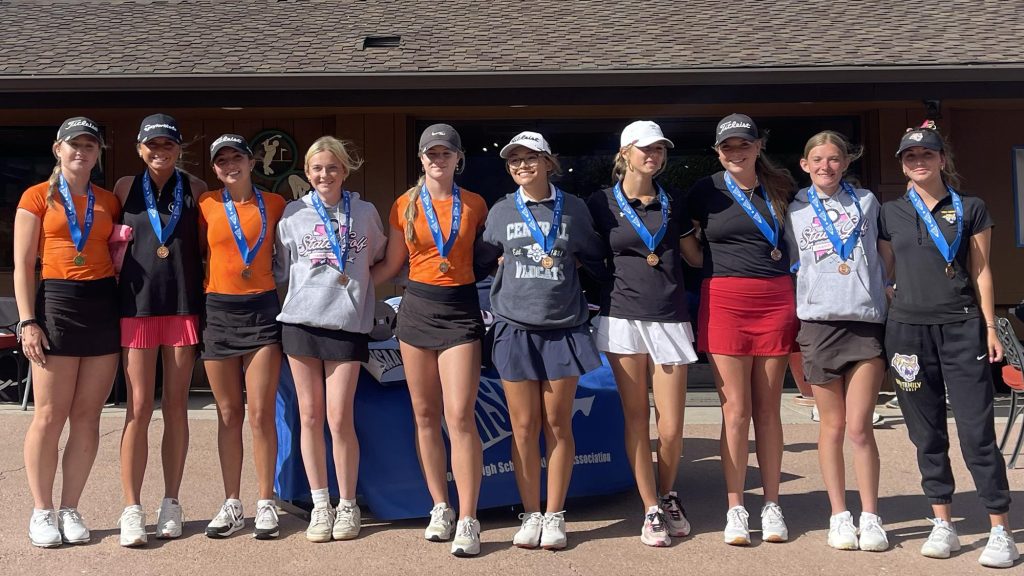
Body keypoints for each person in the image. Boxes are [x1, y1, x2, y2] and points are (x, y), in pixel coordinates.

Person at [878, 121, 1019, 568]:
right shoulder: (889, 212)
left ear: (942, 159)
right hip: (907, 333)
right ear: (903, 165)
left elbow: (982, 271)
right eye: (910, 157)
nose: (918, 162)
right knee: (926, 433)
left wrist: (991, 328)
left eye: (926, 155)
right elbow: (886, 272)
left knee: (977, 433)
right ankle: (944, 521)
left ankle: (1000, 528)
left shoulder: (971, 207)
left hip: (961, 329)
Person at [477, 131, 605, 550]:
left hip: (563, 328)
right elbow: (484, 258)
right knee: (523, 426)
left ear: (548, 162)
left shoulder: (576, 209)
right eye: (514, 160)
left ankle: (555, 515)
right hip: (514, 329)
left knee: (556, 424)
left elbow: (593, 257)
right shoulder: (499, 211)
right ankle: (530, 513)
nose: (522, 166)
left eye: (530, 158)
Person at [371, 124, 488, 557]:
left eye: (446, 153)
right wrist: (349, 285)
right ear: (421, 159)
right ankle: (441, 506)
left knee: (459, 416)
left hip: (460, 309)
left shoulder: (475, 204)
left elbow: (487, 259)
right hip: (416, 308)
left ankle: (470, 517)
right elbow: (392, 264)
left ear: (459, 158)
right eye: (430, 153)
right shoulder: (404, 204)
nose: (438, 160)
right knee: (424, 415)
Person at [587, 121, 702, 547]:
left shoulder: (676, 201)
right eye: (645, 148)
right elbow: (589, 256)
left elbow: (693, 258)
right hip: (622, 318)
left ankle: (669, 493)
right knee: (636, 418)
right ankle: (651, 506)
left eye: (659, 149)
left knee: (670, 425)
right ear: (625, 153)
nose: (653, 155)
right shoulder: (599, 203)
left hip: (670, 318)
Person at [686, 113, 797, 546]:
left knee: (768, 410)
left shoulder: (783, 188)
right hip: (726, 301)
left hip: (775, 299)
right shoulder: (705, 190)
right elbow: (687, 244)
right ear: (718, 151)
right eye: (728, 146)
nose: (736, 152)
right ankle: (735, 507)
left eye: (743, 144)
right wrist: (709, 264)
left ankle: (771, 504)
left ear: (758, 146)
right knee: (735, 410)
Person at [14, 117, 121, 547]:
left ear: (98, 154)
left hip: (102, 303)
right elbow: (22, 264)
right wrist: (27, 320)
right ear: (58, 148)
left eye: (90, 146)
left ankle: (70, 506)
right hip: (55, 303)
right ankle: (42, 510)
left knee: (86, 416)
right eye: (74, 144)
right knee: (49, 415)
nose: (82, 152)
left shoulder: (109, 200)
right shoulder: (36, 196)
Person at [275, 136, 386, 542]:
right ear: (307, 173)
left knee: (339, 418)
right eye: (317, 168)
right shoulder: (293, 214)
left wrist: (360, 288)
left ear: (345, 170)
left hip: (348, 326)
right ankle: (321, 505)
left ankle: (347, 504)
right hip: (301, 324)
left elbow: (380, 259)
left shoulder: (366, 212)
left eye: (332, 167)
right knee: (309, 416)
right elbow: (283, 272)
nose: (325, 175)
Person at [785, 131, 888, 552]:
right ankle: (839, 515)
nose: (826, 166)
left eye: (834, 159)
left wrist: (889, 289)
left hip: (864, 322)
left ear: (846, 163)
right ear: (805, 164)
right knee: (832, 426)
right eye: (817, 159)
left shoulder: (867, 202)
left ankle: (871, 515)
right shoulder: (793, 209)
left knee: (860, 426)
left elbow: (884, 252)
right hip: (819, 324)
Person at [113, 114, 207, 547]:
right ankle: (131, 508)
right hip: (137, 308)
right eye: (152, 144)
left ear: (178, 148)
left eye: (167, 144)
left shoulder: (198, 190)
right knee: (137, 409)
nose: (159, 151)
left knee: (175, 407)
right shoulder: (124, 188)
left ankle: (171, 501)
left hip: (183, 307)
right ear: (139, 148)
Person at [198, 134, 287, 540]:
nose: (230, 165)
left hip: (262, 310)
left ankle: (265, 501)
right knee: (229, 413)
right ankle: (232, 502)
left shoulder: (276, 204)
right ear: (214, 168)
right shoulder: (206, 205)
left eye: (237, 157)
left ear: (253, 162)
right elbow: (200, 252)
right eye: (221, 160)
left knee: (261, 413)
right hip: (218, 311)